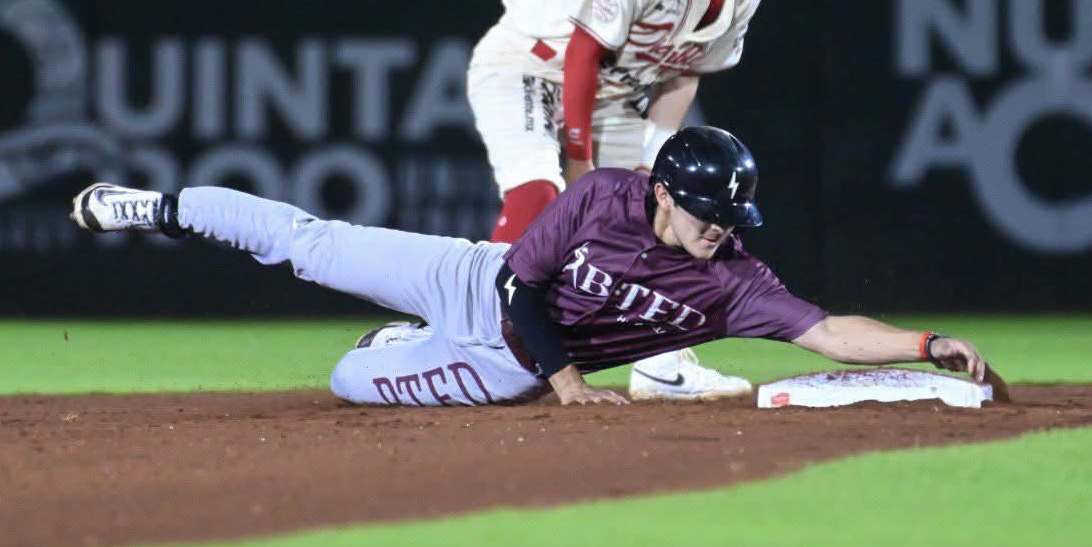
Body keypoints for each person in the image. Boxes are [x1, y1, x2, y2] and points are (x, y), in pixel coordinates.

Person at [68, 127, 988, 407]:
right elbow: (518, 281)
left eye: (730, 217)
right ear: (663, 194)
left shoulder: (732, 279)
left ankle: (392, 345)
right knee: (312, 244)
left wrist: (926, 341)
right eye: (707, 212)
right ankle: (153, 207)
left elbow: (828, 332)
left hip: (498, 365)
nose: (719, 229)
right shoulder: (606, 198)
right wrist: (570, 379)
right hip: (478, 281)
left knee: (348, 381)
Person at [467, 0, 792, 401]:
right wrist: (580, 165)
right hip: (530, 63)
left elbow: (685, 71)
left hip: (612, 93)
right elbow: (582, 54)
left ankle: (662, 366)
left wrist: (651, 160)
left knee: (663, 211)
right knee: (539, 193)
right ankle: (469, 333)